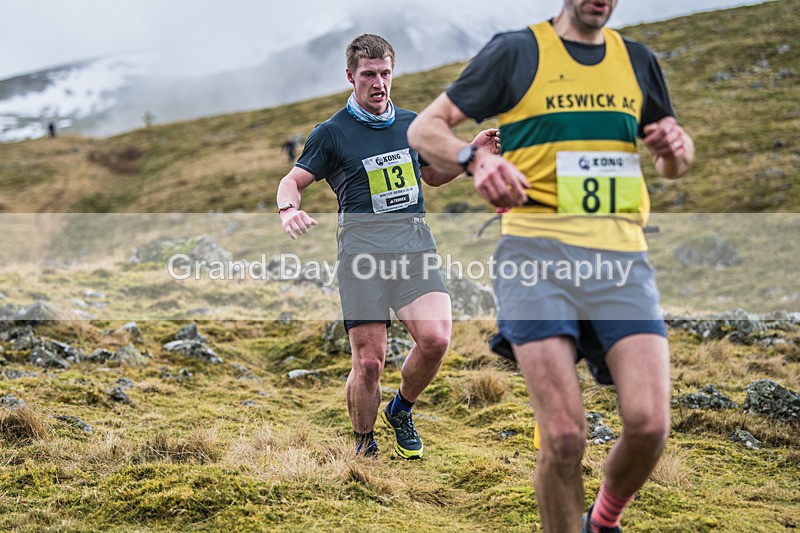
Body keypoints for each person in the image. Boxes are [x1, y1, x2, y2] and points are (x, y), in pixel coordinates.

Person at [408, 1, 695, 531]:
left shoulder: (637, 61)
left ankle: (602, 521)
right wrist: (476, 159)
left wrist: (676, 149)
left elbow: (672, 162)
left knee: (651, 424)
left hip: (621, 260)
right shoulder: (517, 52)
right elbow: (424, 129)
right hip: (534, 257)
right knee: (563, 436)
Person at [276, 33, 500, 459]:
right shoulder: (332, 133)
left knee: (435, 339)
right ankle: (364, 441)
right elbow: (293, 180)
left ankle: (401, 409)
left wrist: (472, 151)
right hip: (362, 258)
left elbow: (431, 176)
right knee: (370, 363)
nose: (378, 83)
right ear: (350, 76)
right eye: (368, 75)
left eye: (385, 73)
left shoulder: (414, 127)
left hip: (413, 247)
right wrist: (289, 208)